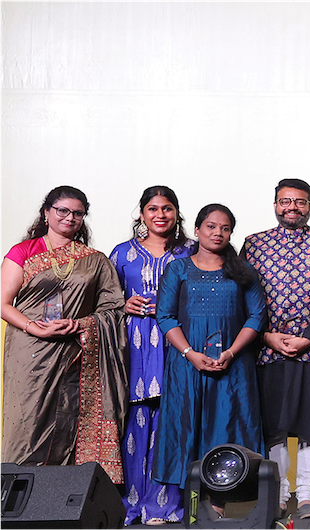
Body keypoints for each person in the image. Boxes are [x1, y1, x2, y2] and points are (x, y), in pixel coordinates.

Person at [0, 186, 127, 487]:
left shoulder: (95, 260)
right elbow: (3, 303)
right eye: (63, 211)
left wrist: (81, 324)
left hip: (75, 352)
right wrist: (33, 327)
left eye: (78, 213)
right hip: (29, 351)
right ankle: (15, 501)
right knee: (26, 425)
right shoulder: (24, 252)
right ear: (47, 213)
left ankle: (58, 499)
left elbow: (113, 309)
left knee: (68, 420)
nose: (70, 218)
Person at [152, 204, 266, 513]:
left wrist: (230, 353)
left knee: (226, 429)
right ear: (198, 230)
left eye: (225, 228)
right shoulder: (178, 269)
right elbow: (165, 316)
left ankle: (219, 507)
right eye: (211, 226)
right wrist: (190, 354)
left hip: (233, 367)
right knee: (188, 427)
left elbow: (256, 317)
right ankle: (192, 507)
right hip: (188, 365)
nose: (218, 233)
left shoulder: (243, 271)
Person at [242, 179, 310, 518]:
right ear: (275, 204)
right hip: (269, 350)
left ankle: (307, 496)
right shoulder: (254, 245)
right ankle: (278, 496)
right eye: (285, 201)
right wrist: (265, 335)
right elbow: (243, 296)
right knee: (274, 428)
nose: (291, 207)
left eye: (300, 202)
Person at [109, 186, 193, 525]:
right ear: (141, 214)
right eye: (153, 208)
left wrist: (177, 308)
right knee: (134, 423)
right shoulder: (120, 254)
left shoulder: (190, 252)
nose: (161, 215)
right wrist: (122, 304)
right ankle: (131, 504)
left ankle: (166, 505)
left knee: (172, 420)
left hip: (177, 343)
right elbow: (103, 301)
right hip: (135, 345)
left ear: (177, 213)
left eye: (168, 208)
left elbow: (204, 295)